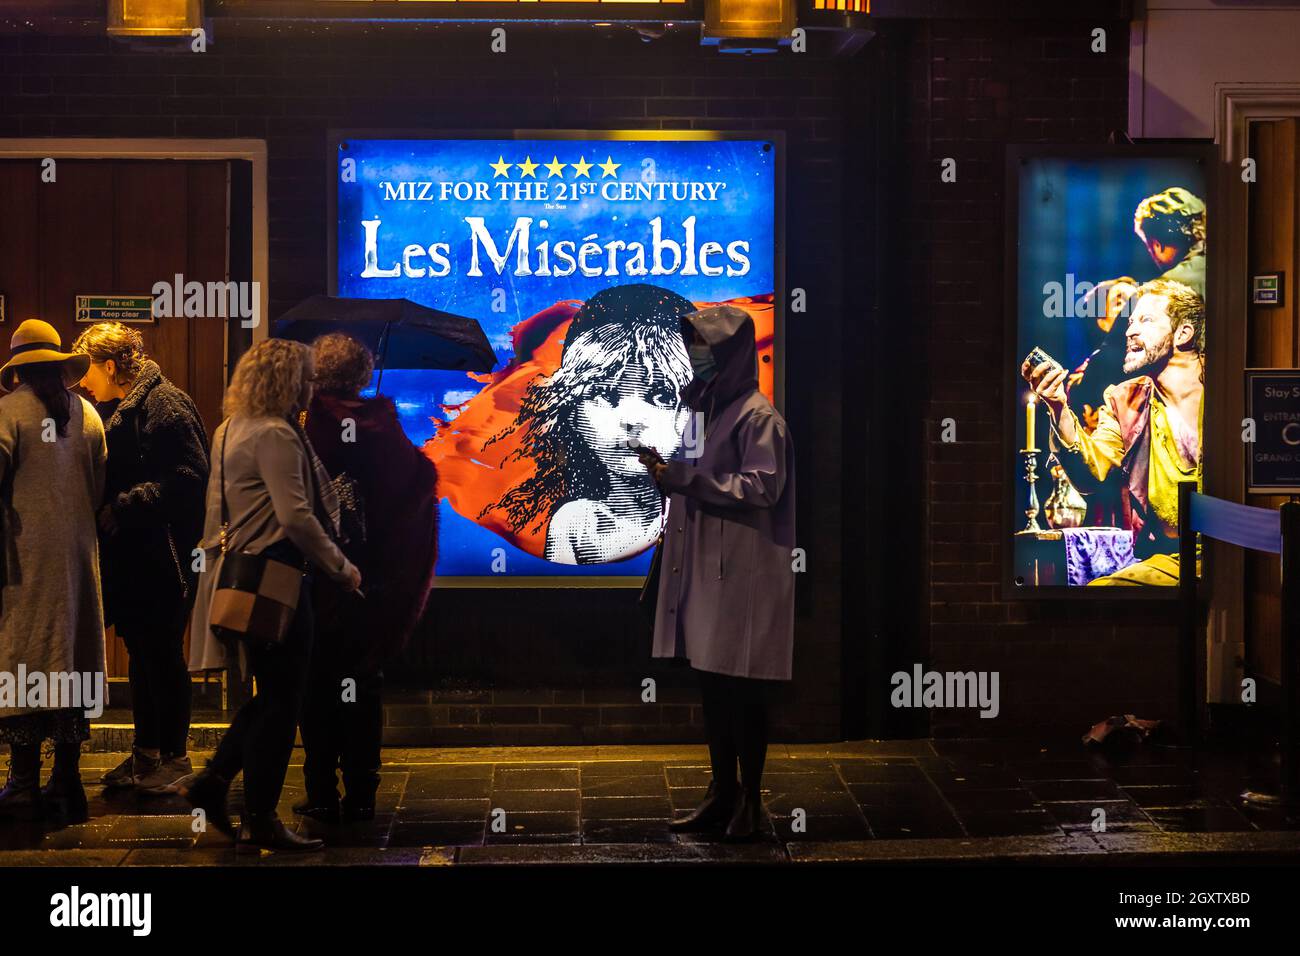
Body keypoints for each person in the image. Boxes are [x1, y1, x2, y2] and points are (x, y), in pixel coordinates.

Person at [183, 339, 361, 853]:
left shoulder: (229, 429)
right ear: (287, 382)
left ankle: (217, 785)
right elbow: (296, 517)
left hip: (239, 576)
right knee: (284, 703)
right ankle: (255, 813)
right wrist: (342, 568)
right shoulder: (277, 435)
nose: (312, 388)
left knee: (272, 696)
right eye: (306, 379)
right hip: (277, 580)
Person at [638, 304, 796, 841]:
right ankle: (722, 791)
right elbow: (696, 472)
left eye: (704, 347)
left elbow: (762, 487)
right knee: (713, 684)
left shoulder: (758, 417)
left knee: (743, 687)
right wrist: (668, 471)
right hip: (709, 570)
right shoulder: (706, 408)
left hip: (742, 572)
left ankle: (750, 797)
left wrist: (682, 479)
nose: (694, 357)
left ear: (729, 355)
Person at [295, 332, 438, 823]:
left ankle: (319, 790)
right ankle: (362, 791)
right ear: (362, 375)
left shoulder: (307, 426)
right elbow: (418, 489)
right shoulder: (385, 429)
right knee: (361, 686)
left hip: (314, 583)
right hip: (370, 588)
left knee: (316, 688)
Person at [71, 323, 209, 794]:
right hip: (141, 559)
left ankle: (175, 758)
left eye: (87, 369)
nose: (82, 382)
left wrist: (126, 506)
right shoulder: (134, 404)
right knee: (146, 657)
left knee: (163, 657)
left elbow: (191, 477)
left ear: (110, 365)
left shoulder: (163, 405)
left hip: (165, 559)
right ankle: (147, 756)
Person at [486, 284, 696, 564]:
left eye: (661, 395)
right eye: (606, 393)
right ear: (570, 406)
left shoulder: (695, 513)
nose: (631, 419)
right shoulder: (577, 524)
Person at [1023, 278, 1204, 585]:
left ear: (1183, 333)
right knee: (1102, 592)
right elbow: (1092, 476)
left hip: (1237, 553)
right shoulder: (1123, 399)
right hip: (1172, 558)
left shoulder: (1229, 387)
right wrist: (1057, 407)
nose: (1130, 330)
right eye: (1130, 322)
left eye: (1145, 320)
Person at [0, 320, 107, 824]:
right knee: (71, 655)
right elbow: (98, 484)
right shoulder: (87, 415)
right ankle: (67, 782)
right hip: (78, 558)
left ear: (19, 368)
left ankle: (23, 785)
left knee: (25, 658)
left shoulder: (8, 413)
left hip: (23, 559)